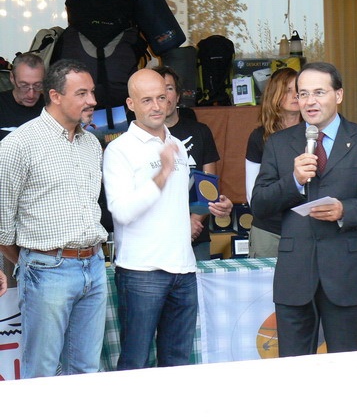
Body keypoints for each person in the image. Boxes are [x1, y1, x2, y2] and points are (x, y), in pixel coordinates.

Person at [251, 62, 357, 357]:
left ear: (338, 95)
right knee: (293, 369)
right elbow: (260, 204)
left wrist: (345, 210)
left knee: (346, 367)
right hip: (295, 276)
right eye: (303, 94)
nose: (310, 101)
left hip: (347, 273)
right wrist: (293, 180)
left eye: (319, 92)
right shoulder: (279, 143)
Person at [103, 68, 232, 370]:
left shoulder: (175, 144)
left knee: (177, 364)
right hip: (141, 271)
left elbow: (182, 199)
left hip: (183, 267)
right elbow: (121, 211)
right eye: (146, 100)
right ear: (130, 104)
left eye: (161, 97)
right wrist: (161, 175)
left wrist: (215, 205)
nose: (157, 106)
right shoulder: (119, 149)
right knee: (135, 362)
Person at [0, 58, 107, 378]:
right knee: (42, 374)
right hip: (47, 269)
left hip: (94, 265)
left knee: (86, 370)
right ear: (55, 96)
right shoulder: (18, 144)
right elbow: (2, 225)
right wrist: (36, 260)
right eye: (82, 93)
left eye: (92, 92)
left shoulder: (92, 143)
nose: (92, 101)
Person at [152, 65, 226, 261]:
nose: (163, 95)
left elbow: (209, 184)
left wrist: (193, 221)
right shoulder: (142, 137)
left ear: (177, 96)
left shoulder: (200, 131)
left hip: (196, 232)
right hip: (156, 236)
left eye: (169, 88)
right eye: (157, 90)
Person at [245, 67, 301, 257]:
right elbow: (252, 193)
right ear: (274, 95)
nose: (295, 95)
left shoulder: (315, 133)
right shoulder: (259, 137)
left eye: (299, 90)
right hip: (268, 229)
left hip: (306, 227)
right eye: (287, 90)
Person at [0, 52, 46, 140]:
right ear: (12, 78)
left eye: (37, 85)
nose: (31, 95)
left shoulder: (52, 108)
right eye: (24, 85)